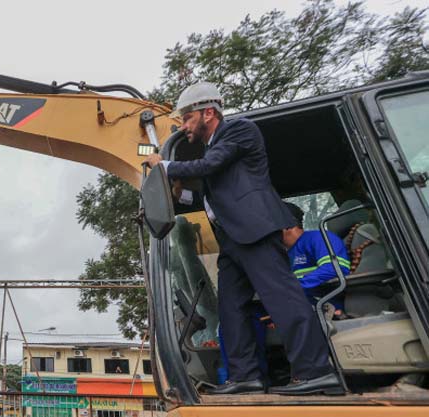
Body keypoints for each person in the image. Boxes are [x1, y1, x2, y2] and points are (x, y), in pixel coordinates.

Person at [145, 82, 343, 396]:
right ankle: (244, 376)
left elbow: (209, 167)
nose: (184, 127)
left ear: (208, 112)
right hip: (233, 238)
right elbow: (209, 191)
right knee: (229, 308)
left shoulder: (238, 131)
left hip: (255, 230)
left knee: (282, 298)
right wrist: (179, 192)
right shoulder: (215, 148)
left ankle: (316, 372)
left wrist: (165, 165)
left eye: (187, 118)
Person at [282, 202, 351, 315]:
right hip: (301, 308)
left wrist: (294, 288)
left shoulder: (318, 238)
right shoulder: (286, 254)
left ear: (286, 224)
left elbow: (334, 268)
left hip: (327, 309)